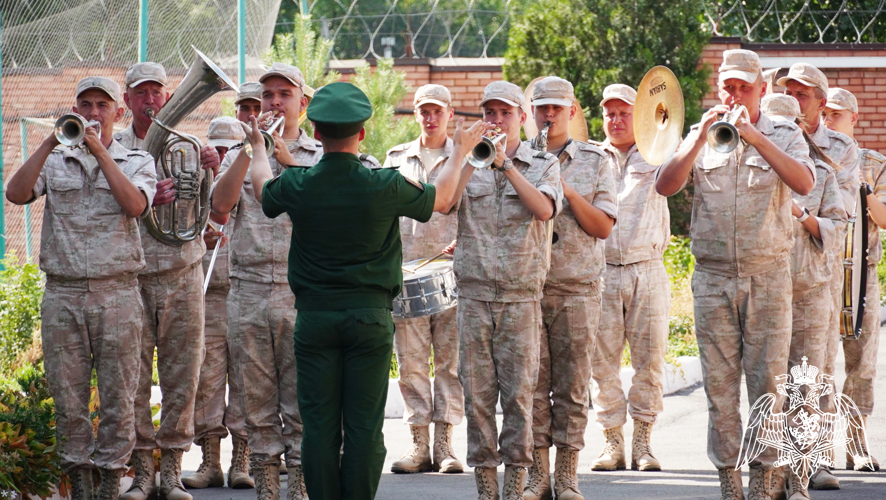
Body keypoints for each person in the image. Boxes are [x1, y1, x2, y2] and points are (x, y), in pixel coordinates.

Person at [242, 80, 489, 499]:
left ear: (316, 133)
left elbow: (263, 188)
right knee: (363, 428)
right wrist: (460, 151)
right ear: (362, 134)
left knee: (318, 427)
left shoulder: (300, 185)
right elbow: (443, 198)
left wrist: (262, 149)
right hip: (369, 320)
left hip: (315, 319)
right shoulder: (385, 184)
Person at [655, 49, 815, 500]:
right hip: (713, 279)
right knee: (720, 387)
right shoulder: (699, 134)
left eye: (744, 86)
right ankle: (729, 479)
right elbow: (665, 185)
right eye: (728, 85)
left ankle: (766, 478)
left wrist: (754, 136)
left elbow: (804, 183)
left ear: (762, 89)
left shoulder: (784, 132)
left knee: (766, 383)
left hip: (767, 276)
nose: (735, 93)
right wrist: (699, 138)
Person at [6, 77, 157, 500]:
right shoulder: (56, 158)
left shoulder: (137, 160)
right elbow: (15, 193)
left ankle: (111, 479)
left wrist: (100, 151)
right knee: (68, 398)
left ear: (118, 112)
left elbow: (136, 206)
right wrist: (50, 143)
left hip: (118, 293)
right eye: (85, 104)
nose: (93, 112)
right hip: (64, 294)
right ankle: (80, 484)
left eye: (102, 105)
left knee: (118, 395)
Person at [447, 81, 563, 500]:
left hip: (520, 297)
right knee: (476, 398)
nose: (495, 121)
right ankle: (485, 489)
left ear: (521, 116)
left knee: (518, 398)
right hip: (475, 297)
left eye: (504, 113)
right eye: (489, 113)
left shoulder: (543, 163)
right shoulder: (466, 160)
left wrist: (507, 167)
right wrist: (467, 159)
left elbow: (545, 210)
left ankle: (514, 485)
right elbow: (443, 203)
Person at [115, 62, 220, 500]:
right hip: (133, 276)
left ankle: (173, 470)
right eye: (141, 93)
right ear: (127, 101)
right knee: (133, 377)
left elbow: (212, 214)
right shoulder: (113, 147)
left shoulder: (190, 146)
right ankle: (142, 471)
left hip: (182, 273)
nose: (151, 101)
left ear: (168, 96)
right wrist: (143, 198)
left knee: (183, 376)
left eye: (158, 93)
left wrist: (212, 169)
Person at [210, 62, 315, 500]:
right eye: (267, 95)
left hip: (300, 293)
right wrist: (249, 151)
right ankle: (267, 487)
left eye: (284, 95)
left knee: (302, 401)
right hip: (248, 291)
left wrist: (278, 153)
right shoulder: (241, 150)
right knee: (256, 402)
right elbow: (219, 205)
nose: (274, 103)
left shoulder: (319, 156)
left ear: (302, 105)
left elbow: (316, 209)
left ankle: (301, 484)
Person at [523, 76, 616, 500]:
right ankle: (538, 476)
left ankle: (568, 476)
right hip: (528, 288)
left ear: (573, 111)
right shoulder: (518, 158)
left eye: (557, 108)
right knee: (532, 387)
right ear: (531, 112)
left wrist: (566, 188)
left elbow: (601, 227)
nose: (549, 115)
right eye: (542, 107)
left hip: (577, 289)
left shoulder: (597, 160)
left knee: (574, 388)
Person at [778, 63, 859, 491]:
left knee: (815, 371)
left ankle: (815, 459)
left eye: (803, 95)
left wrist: (803, 212)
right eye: (788, 92)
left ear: (822, 103)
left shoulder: (841, 151)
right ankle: (776, 460)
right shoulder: (770, 136)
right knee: (772, 375)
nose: (793, 101)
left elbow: (838, 220)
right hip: (769, 274)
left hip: (814, 274)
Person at [762, 93, 847, 500]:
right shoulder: (749, 172)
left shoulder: (823, 175)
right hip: (764, 289)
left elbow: (838, 230)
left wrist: (802, 214)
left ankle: (803, 470)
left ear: (797, 128)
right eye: (771, 129)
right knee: (769, 384)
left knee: (806, 383)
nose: (779, 136)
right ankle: (770, 470)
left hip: (809, 290)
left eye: (787, 128)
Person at [588, 84, 671, 476]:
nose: (616, 121)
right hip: (600, 272)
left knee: (649, 362)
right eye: (610, 114)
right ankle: (612, 441)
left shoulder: (659, 153)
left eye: (624, 113)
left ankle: (643, 441)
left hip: (646, 269)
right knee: (600, 363)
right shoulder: (588, 157)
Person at [384, 84, 466, 475]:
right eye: (423, 111)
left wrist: (461, 241)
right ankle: (418, 444)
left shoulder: (467, 158)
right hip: (409, 272)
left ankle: (446, 446)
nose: (430, 118)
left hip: (452, 274)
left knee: (449, 363)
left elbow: (476, 211)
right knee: (412, 363)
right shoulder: (396, 157)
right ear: (416, 114)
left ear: (450, 113)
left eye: (437, 111)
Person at [182, 116, 253, 491]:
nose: (223, 156)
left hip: (244, 294)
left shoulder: (253, 181)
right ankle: (210, 461)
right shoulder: (194, 186)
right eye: (218, 149)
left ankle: (243, 460)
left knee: (246, 379)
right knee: (207, 379)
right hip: (206, 297)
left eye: (231, 149)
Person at [823, 87, 883, 473]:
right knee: (820, 363)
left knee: (861, 365)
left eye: (837, 115)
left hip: (862, 275)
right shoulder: (808, 157)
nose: (829, 121)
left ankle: (856, 443)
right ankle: (818, 447)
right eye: (825, 114)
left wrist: (862, 187)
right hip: (822, 274)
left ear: (854, 119)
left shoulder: (874, 164)